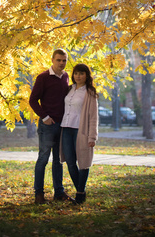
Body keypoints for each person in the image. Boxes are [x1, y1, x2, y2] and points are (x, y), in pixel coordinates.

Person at [29, 48, 72, 204]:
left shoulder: (66, 76)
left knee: (58, 160)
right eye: (58, 60)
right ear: (52, 60)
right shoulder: (43, 78)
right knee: (43, 159)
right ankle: (38, 194)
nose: (61, 63)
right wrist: (45, 117)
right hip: (47, 125)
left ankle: (59, 193)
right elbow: (33, 100)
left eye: (64, 60)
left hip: (62, 125)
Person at [60, 63, 98, 205]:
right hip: (66, 128)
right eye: (76, 73)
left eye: (81, 74)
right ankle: (81, 191)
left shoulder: (90, 93)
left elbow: (94, 116)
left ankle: (80, 194)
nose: (78, 76)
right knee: (70, 162)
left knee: (83, 163)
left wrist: (92, 136)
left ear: (86, 76)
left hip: (80, 130)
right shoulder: (69, 89)